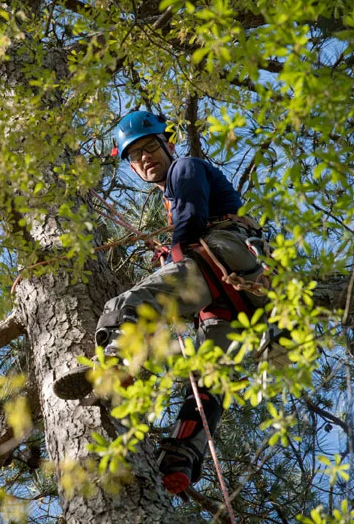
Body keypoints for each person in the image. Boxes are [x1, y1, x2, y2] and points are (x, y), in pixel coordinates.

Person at [52, 110, 269, 498]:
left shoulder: (184, 167)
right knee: (209, 380)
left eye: (151, 147)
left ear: (169, 144)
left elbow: (189, 220)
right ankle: (180, 459)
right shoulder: (174, 183)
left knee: (127, 303)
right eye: (135, 156)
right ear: (132, 168)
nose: (145, 158)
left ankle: (117, 363)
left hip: (221, 258)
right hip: (237, 299)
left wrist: (175, 255)